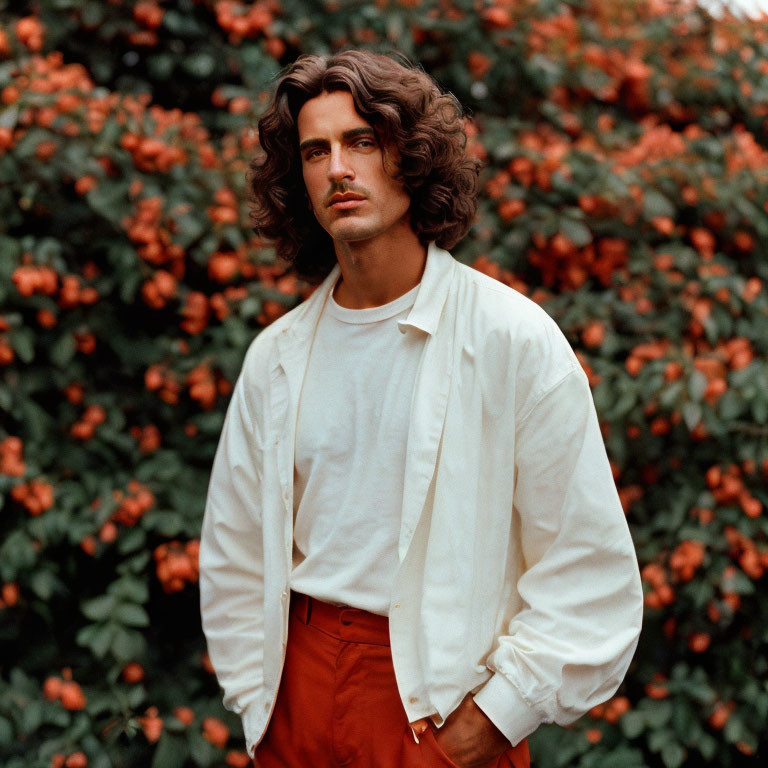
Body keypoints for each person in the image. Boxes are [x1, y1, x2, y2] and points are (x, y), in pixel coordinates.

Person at [199, 49, 644, 768]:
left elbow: (589, 571)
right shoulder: (275, 357)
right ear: (298, 178)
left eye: (362, 141)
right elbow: (235, 555)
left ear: (411, 157)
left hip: (437, 709)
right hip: (297, 696)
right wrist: (261, 709)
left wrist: (491, 723)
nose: (339, 168)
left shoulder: (511, 338)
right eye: (316, 151)